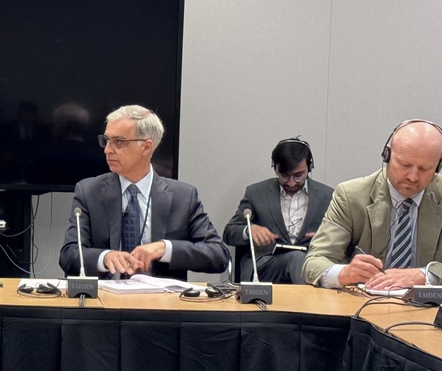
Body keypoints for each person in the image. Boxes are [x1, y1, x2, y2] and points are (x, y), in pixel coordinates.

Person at [59, 105, 229, 280]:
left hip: (160, 296)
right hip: (105, 294)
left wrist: (165, 248)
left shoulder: (183, 196)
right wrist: (104, 257)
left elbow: (218, 255)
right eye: (106, 140)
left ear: (146, 147)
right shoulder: (89, 192)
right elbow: (69, 255)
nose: (107, 150)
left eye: (118, 141)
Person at [303, 119, 442, 289]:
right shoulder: (351, 196)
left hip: (429, 304)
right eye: (404, 165)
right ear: (386, 156)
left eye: (424, 169)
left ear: (438, 167)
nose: (412, 177)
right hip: (364, 300)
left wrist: (425, 276)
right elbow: (314, 261)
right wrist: (344, 273)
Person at [223, 138, 333, 283]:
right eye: (284, 176)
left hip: (312, 264)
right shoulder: (256, 193)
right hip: (266, 267)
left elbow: (345, 238)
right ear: (274, 167)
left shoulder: (328, 196)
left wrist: (328, 237)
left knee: (302, 261)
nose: (291, 183)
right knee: (296, 258)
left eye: (298, 175)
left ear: (310, 167)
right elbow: (229, 233)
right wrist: (249, 230)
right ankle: (309, 298)